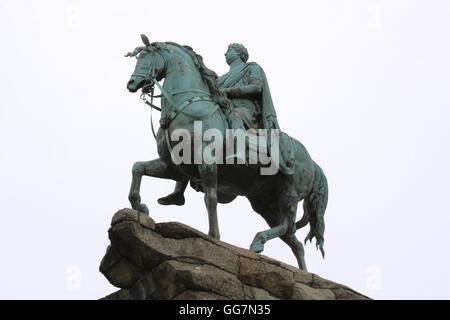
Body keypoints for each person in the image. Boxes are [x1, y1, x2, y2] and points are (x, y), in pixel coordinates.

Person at [157, 43, 287, 206]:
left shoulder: (251, 68)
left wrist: (229, 92)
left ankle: (239, 153)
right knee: (194, 136)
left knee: (235, 117)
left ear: (240, 54)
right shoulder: (222, 78)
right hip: (223, 110)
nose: (226, 53)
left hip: (244, 110)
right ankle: (179, 191)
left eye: (229, 50)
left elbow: (257, 87)